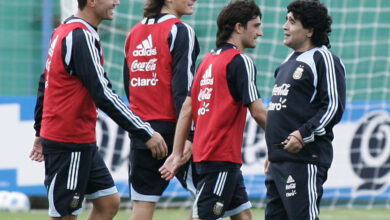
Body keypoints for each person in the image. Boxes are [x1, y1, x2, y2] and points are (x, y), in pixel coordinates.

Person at [29, 0, 168, 219]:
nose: (117, 2)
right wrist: (145, 132)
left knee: (108, 203)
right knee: (65, 215)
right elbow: (103, 93)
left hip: (80, 142)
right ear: (92, 1)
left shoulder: (65, 30)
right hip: (69, 143)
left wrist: (39, 131)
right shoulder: (80, 36)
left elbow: (43, 83)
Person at [159, 1, 267, 219]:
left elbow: (187, 109)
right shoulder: (240, 61)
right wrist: (282, 140)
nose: (260, 32)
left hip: (209, 157)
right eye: (255, 26)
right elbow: (258, 112)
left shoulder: (207, 61)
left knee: (244, 216)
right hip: (221, 159)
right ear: (239, 27)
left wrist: (177, 153)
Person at [264, 0, 346, 219]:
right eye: (286, 20)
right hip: (278, 161)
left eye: (292, 21)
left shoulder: (323, 59)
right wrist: (272, 153)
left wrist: (303, 133)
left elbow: (334, 106)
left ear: (309, 30)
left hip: (304, 160)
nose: (284, 26)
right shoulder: (286, 62)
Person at [123, 0, 199, 219]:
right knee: (207, 198)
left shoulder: (133, 33)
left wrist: (141, 128)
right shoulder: (180, 30)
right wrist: (189, 135)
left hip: (143, 134)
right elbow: (183, 89)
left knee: (142, 206)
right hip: (175, 131)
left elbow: (129, 85)